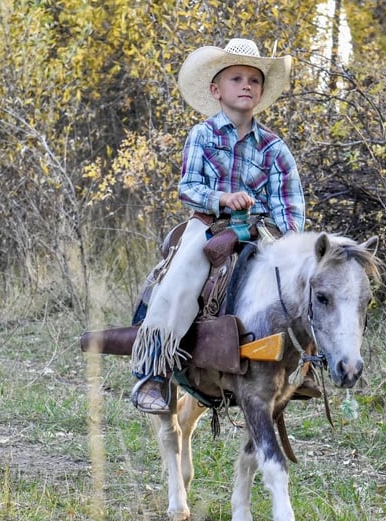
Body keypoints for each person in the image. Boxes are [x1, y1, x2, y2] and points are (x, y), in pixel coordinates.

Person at [130, 38, 305, 413]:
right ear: (216, 90)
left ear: (260, 92)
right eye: (236, 78)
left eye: (254, 81)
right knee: (184, 274)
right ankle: (154, 372)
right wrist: (222, 199)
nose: (246, 86)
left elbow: (289, 204)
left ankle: (302, 363)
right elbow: (188, 188)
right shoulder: (203, 135)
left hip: (259, 231)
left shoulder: (275, 148)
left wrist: (290, 243)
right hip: (208, 226)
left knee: (299, 285)